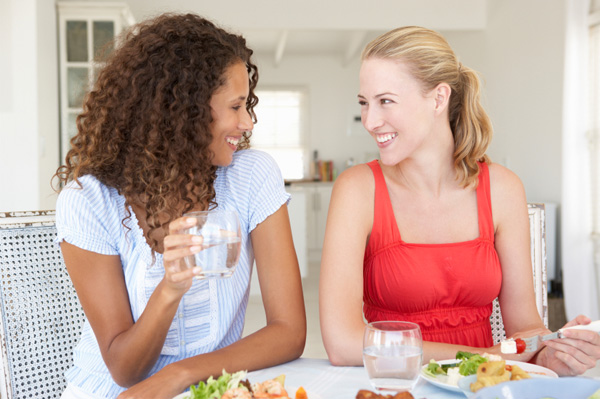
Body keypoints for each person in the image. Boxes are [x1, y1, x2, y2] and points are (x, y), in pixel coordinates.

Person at [319, 26, 600, 376]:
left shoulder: (502, 188)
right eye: (364, 103)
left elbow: (525, 329)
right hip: (395, 387)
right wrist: (484, 357)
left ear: (438, 99)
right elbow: (343, 343)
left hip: (480, 389)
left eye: (385, 101)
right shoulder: (357, 189)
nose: (371, 121)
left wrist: (551, 353)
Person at [53, 13, 306, 399]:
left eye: (247, 105)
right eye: (236, 106)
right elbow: (124, 369)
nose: (248, 122)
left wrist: (181, 375)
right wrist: (170, 290)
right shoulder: (89, 202)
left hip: (207, 389)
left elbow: (289, 331)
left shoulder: (251, 176)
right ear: (184, 112)